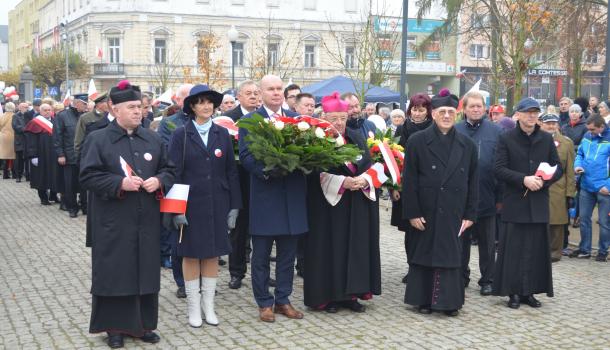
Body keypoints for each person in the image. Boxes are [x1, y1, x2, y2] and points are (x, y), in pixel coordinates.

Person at [80, 80, 175, 348]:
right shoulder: (98, 138)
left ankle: (143, 325)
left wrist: (159, 180)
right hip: (112, 220)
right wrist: (119, 183)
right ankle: (115, 328)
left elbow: (170, 169)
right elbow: (87, 176)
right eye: (132, 107)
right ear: (114, 108)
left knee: (145, 271)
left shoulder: (153, 138)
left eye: (141, 107)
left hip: (147, 220)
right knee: (115, 273)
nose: (138, 112)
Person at [168, 84, 241, 327]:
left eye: (210, 101)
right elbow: (173, 172)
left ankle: (208, 307)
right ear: (192, 106)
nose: (206, 106)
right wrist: (176, 209)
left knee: (212, 253)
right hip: (190, 204)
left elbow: (231, 171)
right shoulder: (181, 134)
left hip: (218, 202)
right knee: (190, 254)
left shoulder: (222, 134)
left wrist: (234, 206)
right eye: (200, 102)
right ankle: (193, 308)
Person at [402, 89, 478, 316]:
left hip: (454, 211)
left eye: (451, 112)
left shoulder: (467, 145)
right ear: (433, 114)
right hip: (426, 210)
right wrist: (412, 213)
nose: (446, 115)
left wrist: (470, 214)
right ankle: (423, 300)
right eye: (442, 111)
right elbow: (410, 181)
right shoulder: (417, 141)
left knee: (451, 257)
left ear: (457, 114)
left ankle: (448, 302)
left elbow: (473, 181)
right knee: (424, 254)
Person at [303, 92, 381, 313]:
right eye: (333, 118)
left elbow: (368, 163)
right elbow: (313, 172)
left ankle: (351, 294)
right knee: (330, 249)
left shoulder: (356, 136)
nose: (338, 122)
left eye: (342, 118)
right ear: (324, 116)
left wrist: (363, 179)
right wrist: (342, 181)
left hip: (356, 203)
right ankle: (329, 297)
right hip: (327, 206)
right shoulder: (316, 138)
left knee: (353, 247)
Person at [239, 75, 307, 323]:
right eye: (271, 89)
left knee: (288, 254)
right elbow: (245, 156)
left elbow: (308, 151)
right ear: (260, 93)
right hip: (266, 195)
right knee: (261, 255)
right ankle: (264, 303)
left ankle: (283, 299)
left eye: (279, 89)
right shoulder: (250, 121)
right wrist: (268, 170)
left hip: (292, 197)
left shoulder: (298, 120)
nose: (276, 93)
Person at [493, 97, 562, 309]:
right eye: (528, 112)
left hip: (538, 202)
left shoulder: (546, 139)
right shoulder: (506, 138)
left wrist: (544, 179)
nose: (532, 116)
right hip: (515, 202)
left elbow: (557, 166)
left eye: (535, 112)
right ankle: (513, 292)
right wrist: (523, 179)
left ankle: (529, 291)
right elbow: (498, 168)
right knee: (514, 250)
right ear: (519, 115)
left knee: (535, 250)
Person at [455, 91, 502, 296]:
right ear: (464, 109)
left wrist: (500, 197)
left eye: (479, 106)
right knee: (461, 241)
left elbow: (501, 165)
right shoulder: (455, 130)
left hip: (487, 195)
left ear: (485, 108)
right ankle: (461, 275)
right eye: (471, 106)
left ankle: (488, 279)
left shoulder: (497, 132)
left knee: (487, 243)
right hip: (460, 198)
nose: (475, 109)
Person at [156, 83, 194, 297]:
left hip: (200, 187)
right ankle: (182, 281)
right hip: (175, 185)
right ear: (178, 101)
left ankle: (199, 278)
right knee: (177, 236)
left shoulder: (208, 123)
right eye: (187, 97)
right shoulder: (169, 124)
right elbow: (167, 154)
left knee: (198, 233)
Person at [392, 93, 433, 283]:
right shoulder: (403, 128)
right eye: (415, 110)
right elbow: (393, 159)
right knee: (410, 230)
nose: (417, 114)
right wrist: (395, 186)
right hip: (405, 185)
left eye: (421, 110)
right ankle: (412, 267)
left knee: (427, 227)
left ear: (428, 111)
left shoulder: (434, 127)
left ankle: (426, 265)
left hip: (427, 186)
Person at [223, 80, 259, 290]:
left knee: (261, 231)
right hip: (238, 180)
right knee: (238, 230)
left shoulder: (264, 118)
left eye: (256, 93)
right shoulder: (228, 119)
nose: (253, 96)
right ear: (239, 96)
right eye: (248, 93)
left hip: (260, 181)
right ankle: (236, 272)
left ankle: (259, 270)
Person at [569, 115, 610, 262]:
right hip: (586, 186)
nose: (590, 132)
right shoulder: (587, 135)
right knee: (584, 219)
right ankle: (585, 249)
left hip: (604, 188)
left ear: (601, 126)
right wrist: (577, 165)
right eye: (589, 129)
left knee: (604, 222)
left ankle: (603, 251)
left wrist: (608, 185)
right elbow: (580, 153)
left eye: (593, 129)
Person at [538, 113, 576, 262]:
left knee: (557, 222)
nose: (551, 126)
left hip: (558, 188)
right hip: (539, 186)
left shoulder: (566, 143)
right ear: (542, 124)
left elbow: (570, 170)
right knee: (539, 221)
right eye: (548, 123)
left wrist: (570, 193)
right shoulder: (536, 139)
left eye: (554, 123)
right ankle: (540, 250)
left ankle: (555, 252)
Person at [54, 94, 87, 218]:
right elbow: (57, 137)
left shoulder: (86, 116)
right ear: (77, 103)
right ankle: (72, 208)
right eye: (84, 103)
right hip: (69, 156)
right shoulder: (62, 116)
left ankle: (85, 206)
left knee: (85, 183)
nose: (86, 106)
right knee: (70, 185)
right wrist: (60, 154)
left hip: (84, 157)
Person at [24, 103, 60, 205]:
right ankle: (43, 198)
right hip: (41, 154)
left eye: (49, 110)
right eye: (45, 110)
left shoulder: (55, 121)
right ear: (40, 111)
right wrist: (33, 155)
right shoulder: (34, 123)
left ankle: (54, 195)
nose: (48, 112)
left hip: (54, 154)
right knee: (41, 176)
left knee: (55, 174)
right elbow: (30, 141)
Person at [74, 92, 109, 161]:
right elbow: (79, 139)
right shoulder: (85, 118)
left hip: (107, 154)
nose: (109, 105)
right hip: (91, 154)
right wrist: (79, 157)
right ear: (99, 104)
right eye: (106, 103)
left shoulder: (110, 116)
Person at [12, 103, 29, 182]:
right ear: (20, 108)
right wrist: (26, 129)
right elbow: (15, 127)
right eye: (25, 107)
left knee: (27, 159)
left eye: (27, 107)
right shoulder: (16, 116)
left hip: (27, 140)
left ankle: (28, 176)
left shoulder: (28, 115)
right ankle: (18, 176)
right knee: (19, 160)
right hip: (19, 141)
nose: (26, 108)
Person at [0, 102, 16, 179]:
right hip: (13, 137)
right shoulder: (15, 116)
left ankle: (5, 174)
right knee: (13, 156)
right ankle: (14, 173)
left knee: (5, 156)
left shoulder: (2, 116)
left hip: (3, 137)